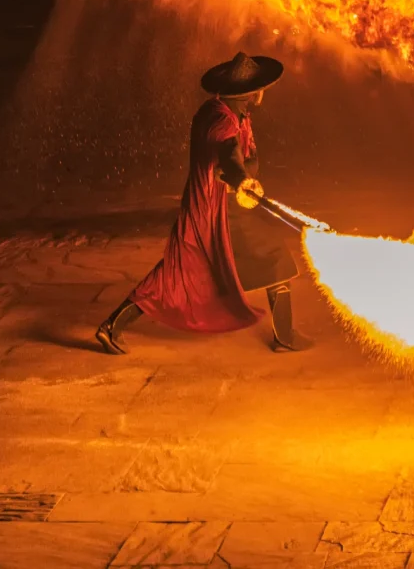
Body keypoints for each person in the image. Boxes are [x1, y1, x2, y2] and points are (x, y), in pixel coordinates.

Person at [95, 52, 308, 355]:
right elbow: (229, 154)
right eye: (259, 88)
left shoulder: (224, 112)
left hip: (212, 206)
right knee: (274, 257)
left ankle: (111, 326)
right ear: (250, 92)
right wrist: (241, 179)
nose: (262, 93)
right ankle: (284, 338)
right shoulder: (223, 120)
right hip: (219, 210)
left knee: (174, 273)